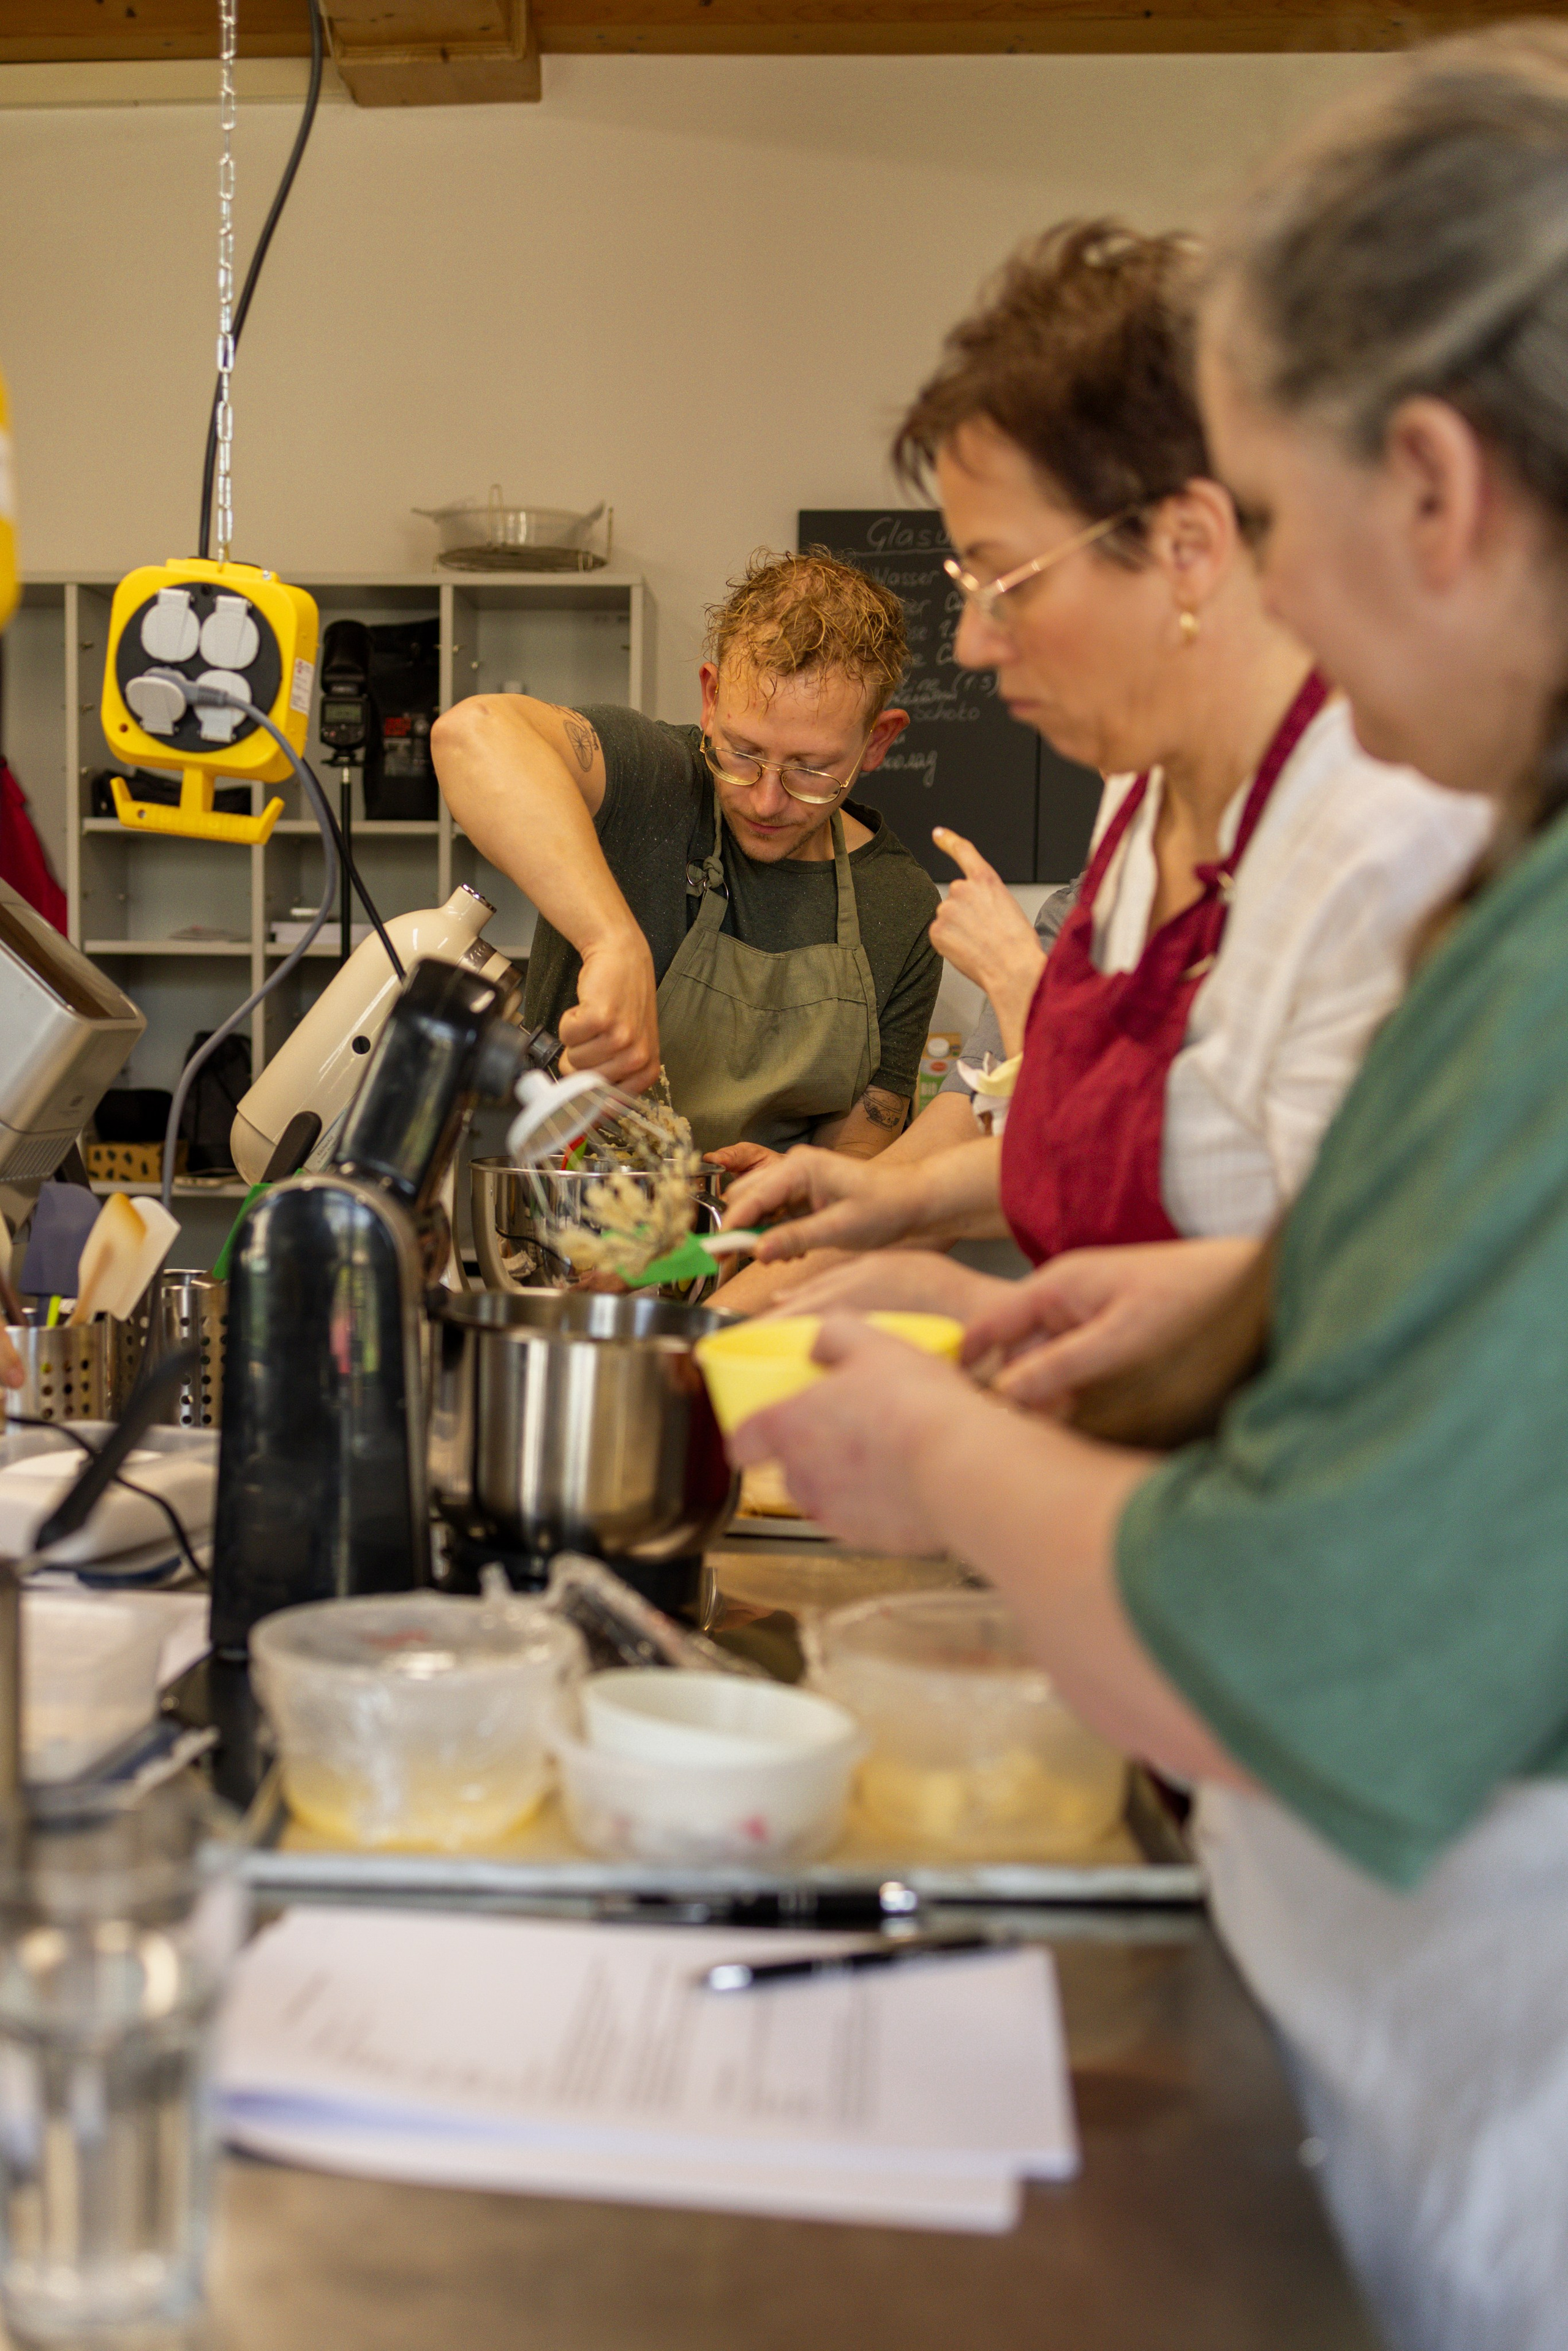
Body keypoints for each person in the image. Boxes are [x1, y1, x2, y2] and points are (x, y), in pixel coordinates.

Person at [728, 29, 1568, 2349]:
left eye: (1283, 526)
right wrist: (1201, 1300)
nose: (1290, 600)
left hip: (1492, 2080)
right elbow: (1423, 1256)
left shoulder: (1464, 872)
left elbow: (1290, 1637)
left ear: (1424, 485)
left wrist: (938, 1445)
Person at [723, 224, 1490, 1308]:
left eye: (1008, 582)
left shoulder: (1382, 840)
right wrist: (899, 1201)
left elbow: (1354, 1311)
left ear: (1188, 546)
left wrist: (980, 1317)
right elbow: (1121, 1160)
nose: (977, 645)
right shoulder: (1137, 791)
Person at [431, 551, 943, 1161]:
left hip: (759, 1247)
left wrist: (787, 1196)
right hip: (561, 1224)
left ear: (877, 740)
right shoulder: (654, 781)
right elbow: (470, 735)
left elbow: (859, 1153)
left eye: (812, 769)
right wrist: (611, 942)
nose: (767, 798)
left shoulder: (902, 905)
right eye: (743, 751)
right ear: (710, 697)